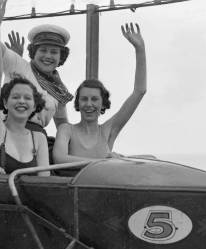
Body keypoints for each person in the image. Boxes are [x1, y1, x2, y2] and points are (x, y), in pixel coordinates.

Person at [53, 23, 147, 163]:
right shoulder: (66, 130)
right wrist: (104, 161)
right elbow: (59, 159)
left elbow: (139, 91)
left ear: (103, 103)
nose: (89, 104)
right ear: (78, 103)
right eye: (84, 99)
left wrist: (140, 49)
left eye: (94, 99)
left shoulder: (107, 131)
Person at [0, 4, 73, 133]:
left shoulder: (59, 89)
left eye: (54, 52)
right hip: (7, 134)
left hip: (38, 141)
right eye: (43, 50)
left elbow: (62, 124)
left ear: (61, 56)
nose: (48, 56)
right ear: (34, 52)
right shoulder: (17, 64)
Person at [0, 0, 50, 176]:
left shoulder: (39, 139)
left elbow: (45, 184)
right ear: (5, 102)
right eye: (15, 97)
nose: (22, 101)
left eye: (28, 98)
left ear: (35, 106)